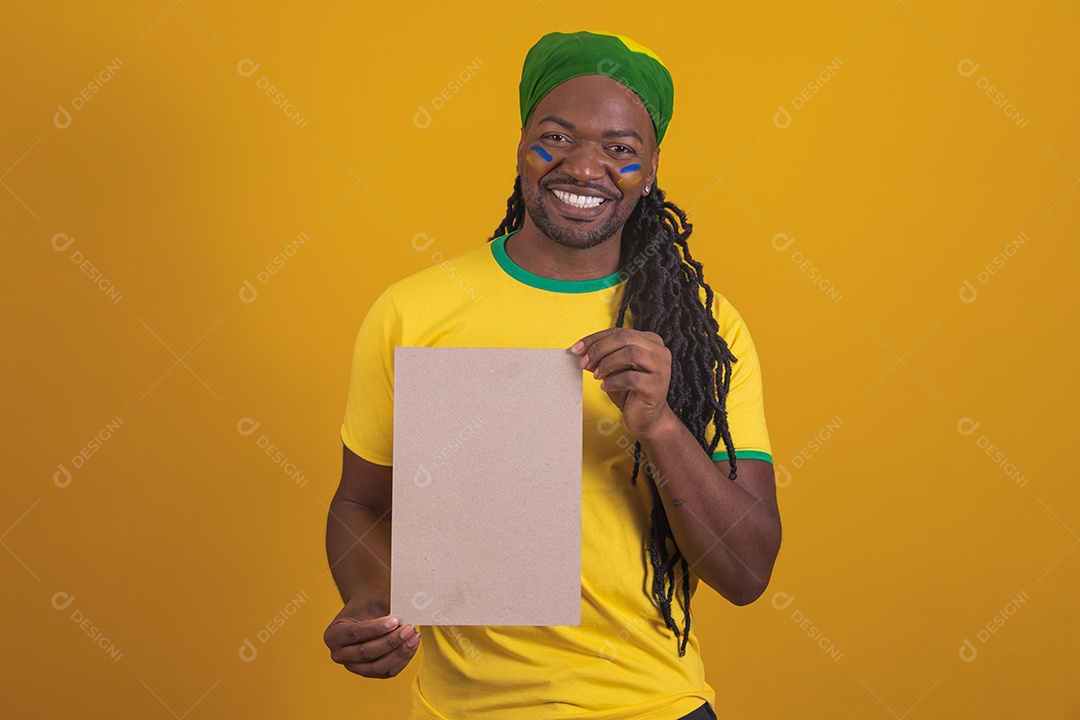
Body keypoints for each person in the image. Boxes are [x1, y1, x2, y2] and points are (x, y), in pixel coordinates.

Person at [323, 30, 782, 720]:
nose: (584, 167)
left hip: (654, 707)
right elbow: (359, 504)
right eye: (557, 137)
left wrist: (657, 425)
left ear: (651, 168)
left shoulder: (703, 328)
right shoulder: (414, 311)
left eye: (620, 149)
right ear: (521, 144)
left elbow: (746, 572)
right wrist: (367, 600)